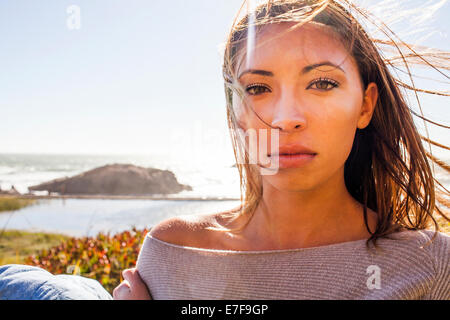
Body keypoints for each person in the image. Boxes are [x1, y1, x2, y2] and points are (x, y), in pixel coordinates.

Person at [114, 0, 449, 300]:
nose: (286, 119)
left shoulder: (432, 266)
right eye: (258, 88)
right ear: (236, 114)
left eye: (322, 83)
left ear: (365, 105)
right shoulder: (173, 250)